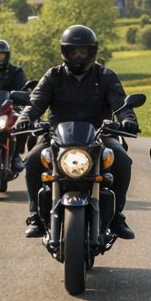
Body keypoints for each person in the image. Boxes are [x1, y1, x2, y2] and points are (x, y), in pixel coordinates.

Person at [15, 24, 139, 241]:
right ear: (66, 52)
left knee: (121, 159)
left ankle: (117, 216)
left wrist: (128, 120)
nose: (79, 56)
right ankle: (35, 215)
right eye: (74, 51)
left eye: (84, 51)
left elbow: (121, 104)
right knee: (34, 158)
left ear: (92, 52)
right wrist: (24, 119)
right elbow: (35, 103)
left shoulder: (106, 76)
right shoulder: (53, 76)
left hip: (99, 136)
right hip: (56, 137)